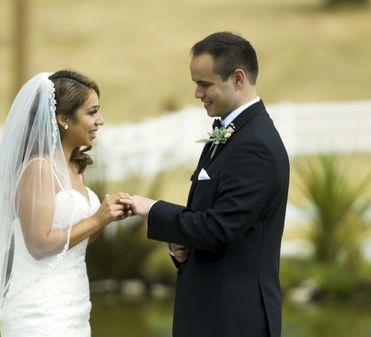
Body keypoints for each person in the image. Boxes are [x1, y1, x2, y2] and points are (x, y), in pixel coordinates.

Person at [121, 32, 290, 337]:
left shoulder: (255, 146)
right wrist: (179, 244)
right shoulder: (232, 132)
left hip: (233, 321)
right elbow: (210, 216)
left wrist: (153, 209)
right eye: (196, 84)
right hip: (210, 313)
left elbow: (220, 229)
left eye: (205, 84)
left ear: (238, 78)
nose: (198, 94)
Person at [0, 70, 130, 337]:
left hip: (74, 307)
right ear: (63, 119)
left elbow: (73, 243)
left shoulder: (75, 166)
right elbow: (39, 244)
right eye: (92, 112)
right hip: (39, 312)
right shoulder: (39, 169)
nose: (100, 121)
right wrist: (96, 219)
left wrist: (106, 218)